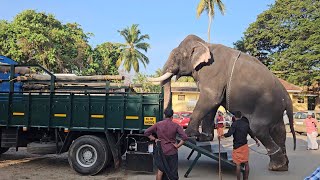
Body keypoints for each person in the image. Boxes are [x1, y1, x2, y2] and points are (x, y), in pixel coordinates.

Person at [144, 109, 188, 180]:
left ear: (164, 115)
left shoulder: (158, 124)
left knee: (160, 170)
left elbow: (146, 132)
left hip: (161, 151)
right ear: (172, 116)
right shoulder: (176, 125)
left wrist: (155, 139)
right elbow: (185, 137)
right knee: (172, 172)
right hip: (172, 151)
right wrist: (178, 146)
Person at [219, 111, 260, 180]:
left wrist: (222, 135)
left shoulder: (234, 124)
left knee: (238, 164)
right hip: (244, 146)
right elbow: (251, 133)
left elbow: (229, 134)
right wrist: (256, 141)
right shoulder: (246, 124)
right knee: (246, 163)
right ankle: (246, 179)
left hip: (237, 147)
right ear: (241, 116)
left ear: (234, 117)